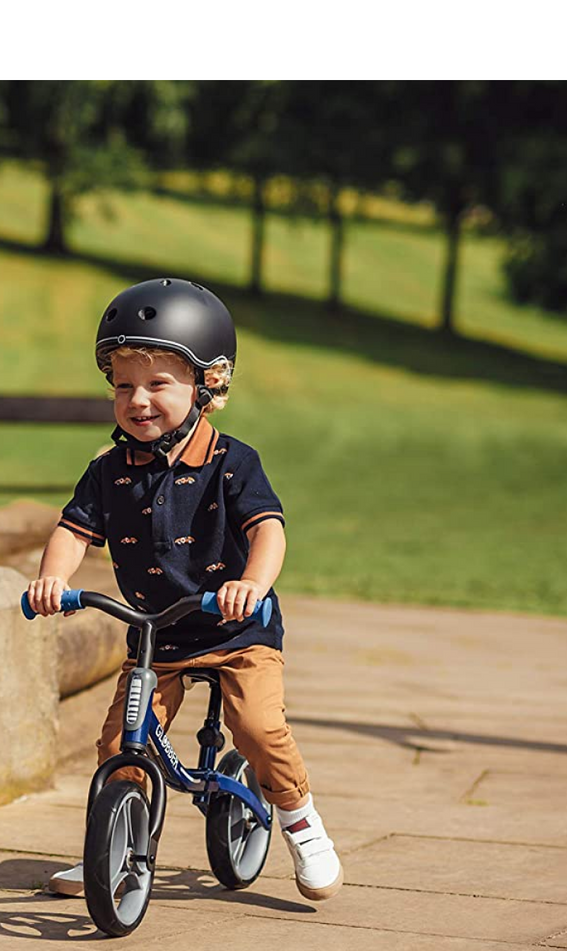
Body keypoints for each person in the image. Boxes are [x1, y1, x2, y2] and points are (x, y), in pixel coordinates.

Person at [26, 278, 342, 901]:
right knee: (122, 742)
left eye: (157, 384)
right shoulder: (109, 471)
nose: (137, 400)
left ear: (209, 385)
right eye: (122, 385)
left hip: (235, 627)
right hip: (159, 636)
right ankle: (112, 848)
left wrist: (251, 584)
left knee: (254, 725)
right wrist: (52, 580)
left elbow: (268, 532)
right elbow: (71, 530)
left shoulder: (233, 462)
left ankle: (301, 822)